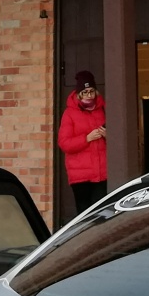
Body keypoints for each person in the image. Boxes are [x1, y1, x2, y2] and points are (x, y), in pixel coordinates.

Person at [57, 70, 108, 211]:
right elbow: (64, 143)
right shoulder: (69, 113)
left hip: (102, 172)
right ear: (79, 94)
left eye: (91, 91)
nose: (89, 95)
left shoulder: (103, 109)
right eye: (85, 92)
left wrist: (107, 136)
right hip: (80, 175)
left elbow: (118, 139)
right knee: (84, 212)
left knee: (102, 211)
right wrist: (86, 138)